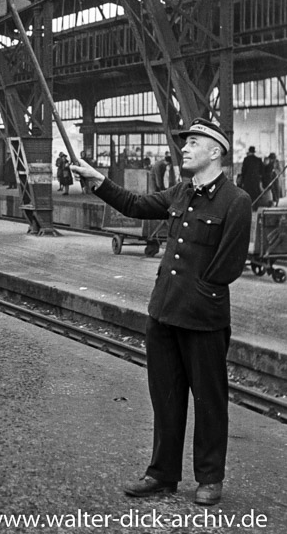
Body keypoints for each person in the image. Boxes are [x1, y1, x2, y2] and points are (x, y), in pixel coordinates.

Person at [71, 118, 252, 506]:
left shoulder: (236, 201)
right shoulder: (182, 191)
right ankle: (162, 474)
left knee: (209, 401)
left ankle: (209, 478)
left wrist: (199, 293)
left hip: (203, 319)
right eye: (185, 142)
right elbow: (137, 205)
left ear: (215, 151)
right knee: (166, 399)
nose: (185, 147)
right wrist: (98, 180)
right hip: (164, 314)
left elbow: (230, 264)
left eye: (194, 142)